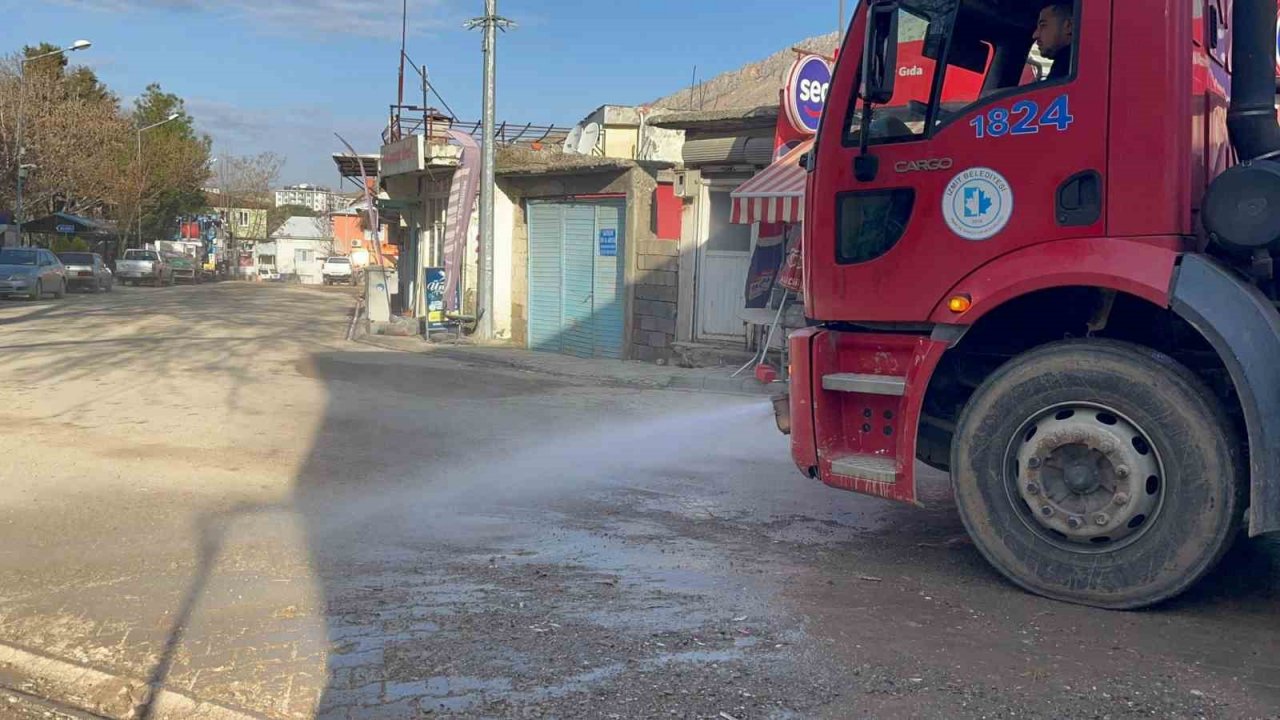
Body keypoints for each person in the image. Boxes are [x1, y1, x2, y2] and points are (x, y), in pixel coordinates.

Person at [1033, 2, 1075, 81]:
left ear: (1069, 26)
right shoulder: (1069, 67)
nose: (1035, 35)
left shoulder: (1066, 68)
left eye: (1043, 25)